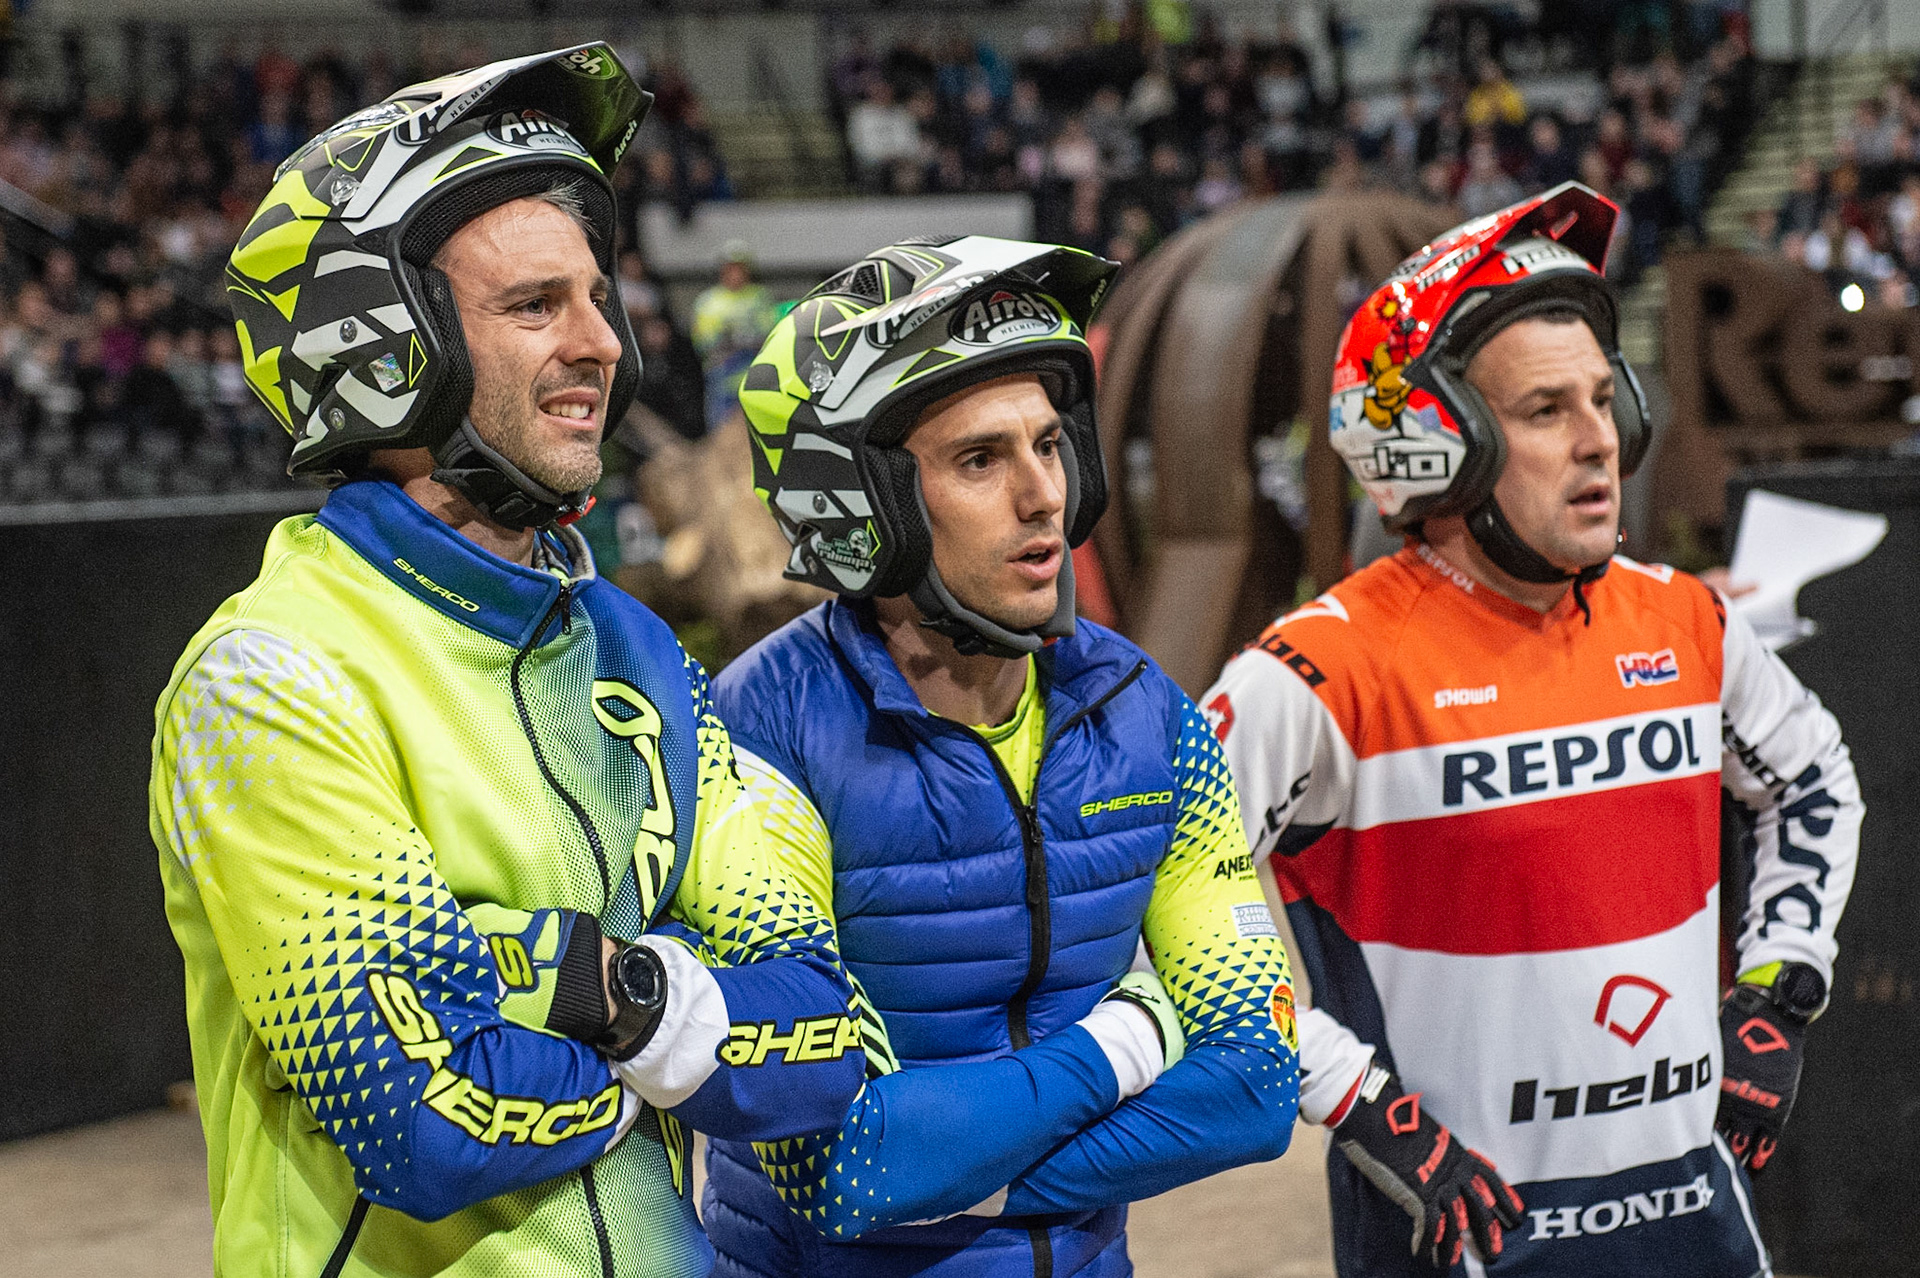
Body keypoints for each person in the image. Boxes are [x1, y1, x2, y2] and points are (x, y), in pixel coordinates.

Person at [152, 46, 866, 1278]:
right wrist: (684, 1037)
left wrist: (590, 990)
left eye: (598, 298)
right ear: (384, 352)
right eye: (535, 306)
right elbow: (426, 1118)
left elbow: (826, 1034)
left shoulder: (637, 653)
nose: (602, 343)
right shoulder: (267, 681)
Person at [1205, 182, 1861, 1276]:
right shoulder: (1321, 671)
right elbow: (1167, 898)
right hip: (1459, 1237)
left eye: (1606, 400)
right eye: (1547, 410)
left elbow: (1815, 782)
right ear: (1431, 443)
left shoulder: (1686, 622)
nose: (1601, 441)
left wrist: (1779, 987)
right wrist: (1359, 1105)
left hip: (1697, 1223)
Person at [704, 237, 1303, 1276]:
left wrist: (959, 1172)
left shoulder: (1146, 712)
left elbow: (1254, 1089)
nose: (1044, 498)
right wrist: (1130, 1042)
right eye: (981, 459)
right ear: (860, 504)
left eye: (1049, 444)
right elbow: (835, 1168)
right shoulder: (755, 734)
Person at [689, 239, 777, 433]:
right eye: (731, 268)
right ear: (722, 270)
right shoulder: (708, 301)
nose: (736, 273)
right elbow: (703, 342)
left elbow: (770, 334)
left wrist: (736, 339)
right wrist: (739, 341)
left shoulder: (759, 296)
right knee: (721, 431)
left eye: (740, 268)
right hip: (722, 378)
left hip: (756, 377)